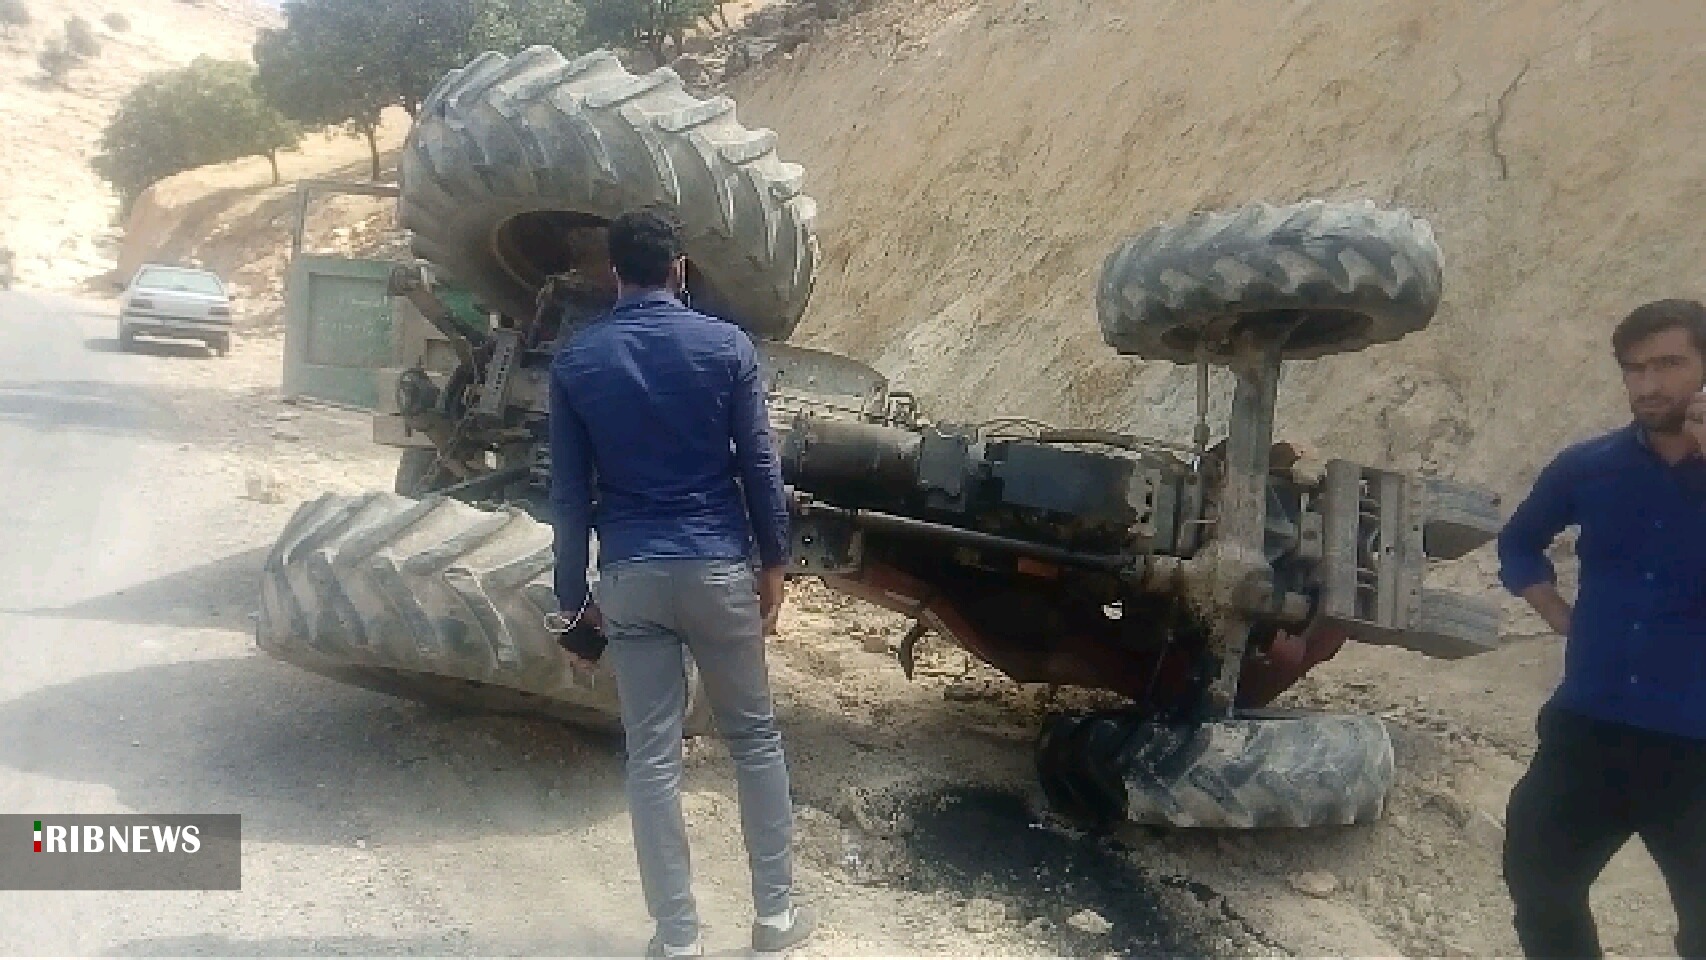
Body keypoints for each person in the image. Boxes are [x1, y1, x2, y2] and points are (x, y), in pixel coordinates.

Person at [548, 208, 814, 958]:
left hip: (631, 576)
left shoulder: (577, 360)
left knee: (653, 756)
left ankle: (676, 938)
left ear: (614, 275)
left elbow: (567, 495)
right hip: (718, 568)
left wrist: (573, 603)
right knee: (753, 739)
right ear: (680, 269)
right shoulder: (726, 348)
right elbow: (759, 466)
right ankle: (775, 918)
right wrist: (773, 562)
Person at [1497, 298, 1706, 959]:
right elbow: (1519, 543)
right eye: (1634, 369)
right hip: (1589, 729)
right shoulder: (1589, 466)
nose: (1649, 385)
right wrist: (1559, 615)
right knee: (1539, 884)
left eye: (1669, 364)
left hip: (1697, 749)